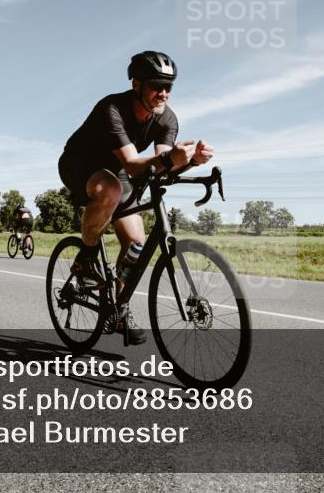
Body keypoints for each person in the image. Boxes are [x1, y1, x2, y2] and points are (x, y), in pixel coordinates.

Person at [57, 51, 213, 345]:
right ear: (136, 84)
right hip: (80, 163)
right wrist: (171, 159)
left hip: (118, 173)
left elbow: (159, 165)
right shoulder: (112, 108)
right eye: (157, 85)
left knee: (137, 247)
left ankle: (119, 308)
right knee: (111, 189)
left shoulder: (166, 119)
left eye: (169, 86)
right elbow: (133, 164)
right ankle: (85, 258)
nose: (163, 93)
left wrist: (193, 161)